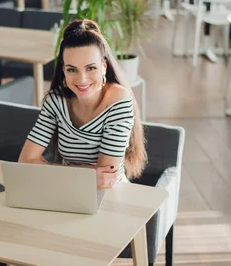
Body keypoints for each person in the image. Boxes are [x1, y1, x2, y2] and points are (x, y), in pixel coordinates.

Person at [18, 19, 147, 189]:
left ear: (104, 67)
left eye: (91, 68)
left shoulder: (119, 100)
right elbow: (25, 162)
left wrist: (49, 169)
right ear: (64, 71)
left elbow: (105, 179)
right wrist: (88, 174)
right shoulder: (56, 100)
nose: (82, 79)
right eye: (72, 70)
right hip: (65, 189)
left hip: (112, 196)